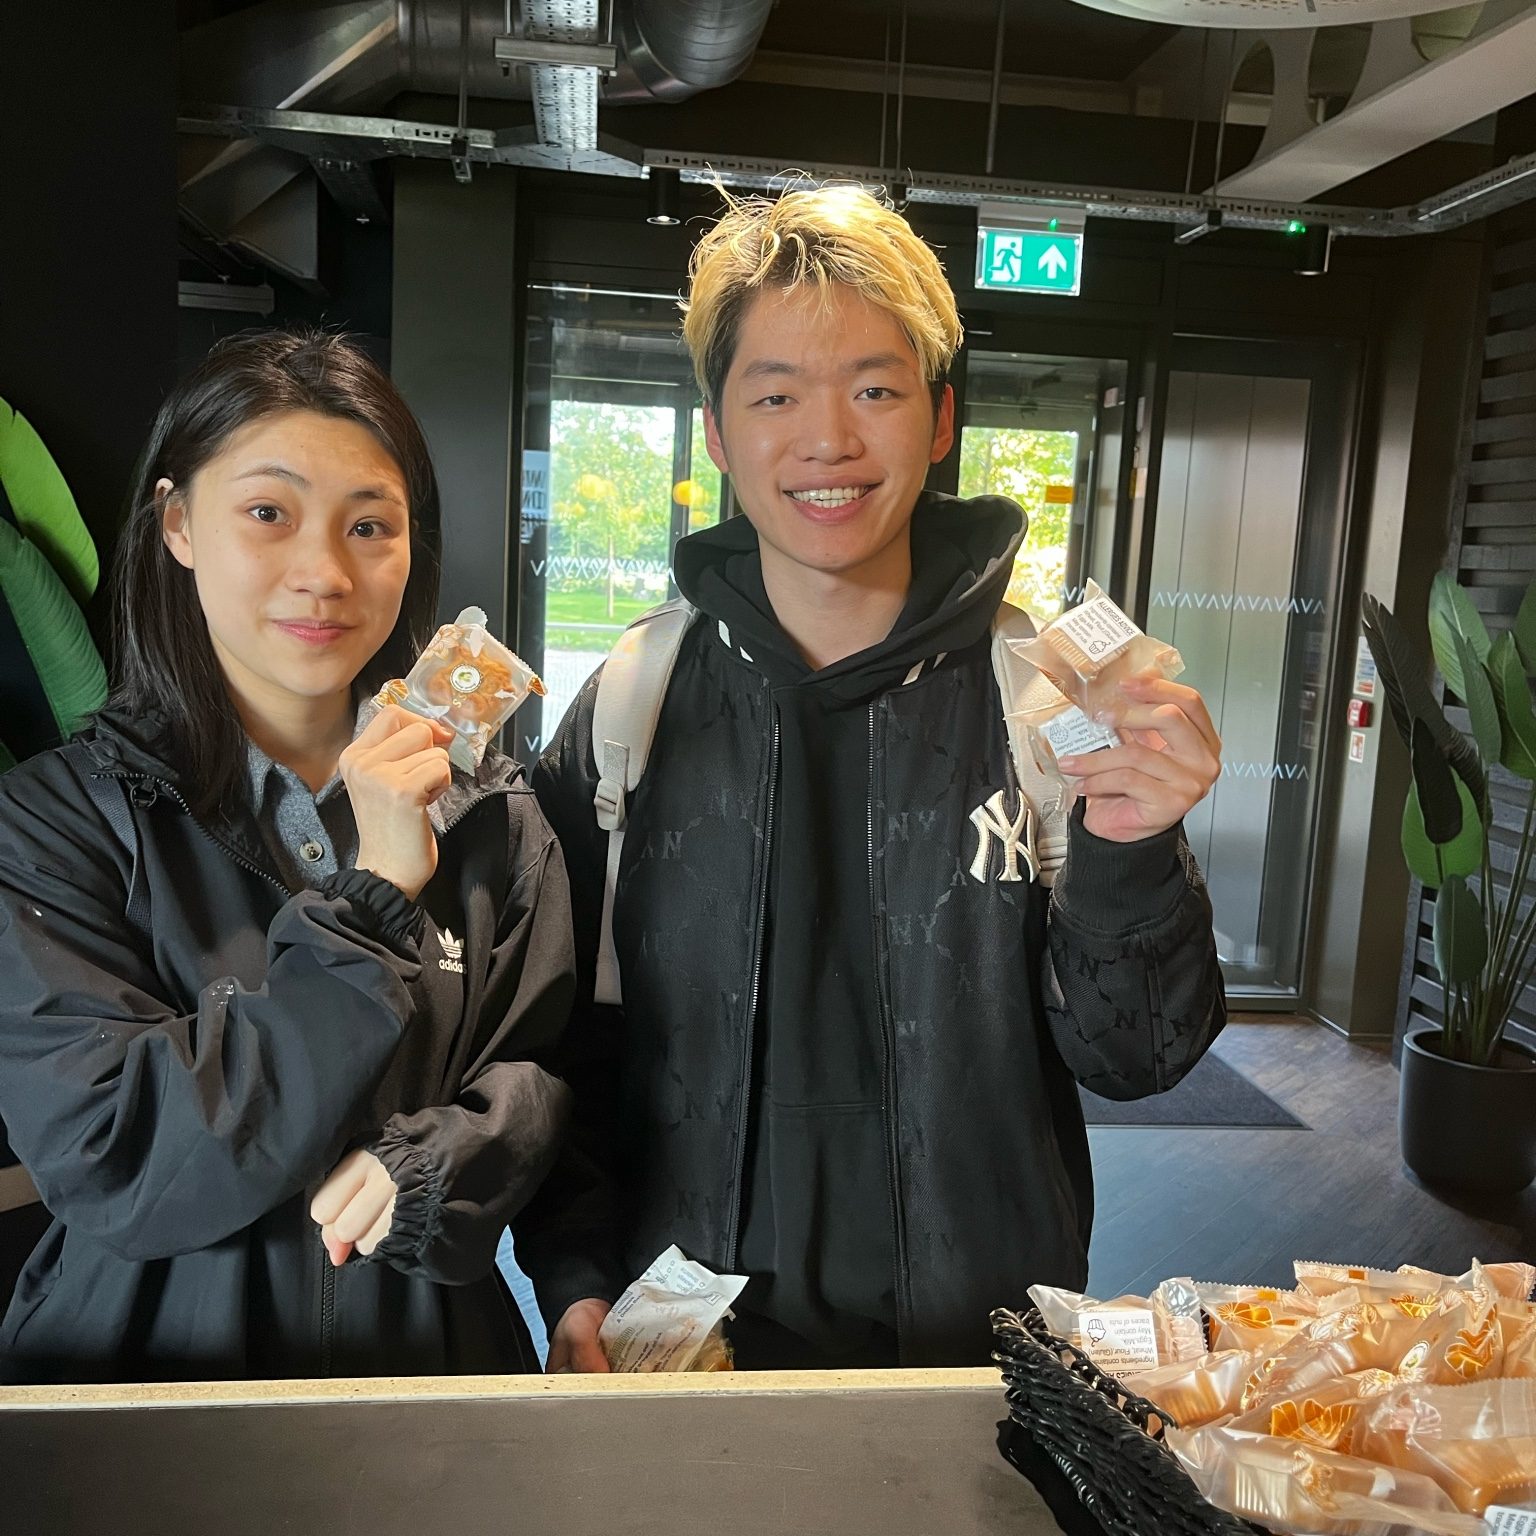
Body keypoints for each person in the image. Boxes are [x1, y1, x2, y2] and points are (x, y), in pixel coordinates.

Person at [518, 186, 1227, 1372]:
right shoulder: (634, 700)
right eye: (777, 394)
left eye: (876, 389)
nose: (828, 440)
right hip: (684, 1350)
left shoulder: (1044, 704)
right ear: (717, 432)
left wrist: (1132, 845)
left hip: (976, 1353)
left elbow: (1135, 1058)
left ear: (940, 420)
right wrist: (578, 1277)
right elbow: (561, 1045)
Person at [0, 330, 574, 1383]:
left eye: (371, 526)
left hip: (432, 1396)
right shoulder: (54, 825)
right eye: (268, 514)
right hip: (140, 1419)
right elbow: (124, 1157)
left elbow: (543, 1077)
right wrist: (370, 906)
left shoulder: (496, 815)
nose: (324, 572)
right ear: (177, 523)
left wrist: (442, 1161)